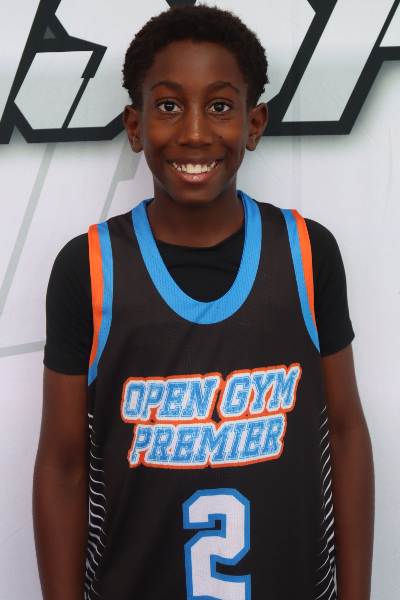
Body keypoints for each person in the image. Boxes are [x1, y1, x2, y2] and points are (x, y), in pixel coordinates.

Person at [33, 5, 374, 600]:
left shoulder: (306, 253)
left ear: (254, 123)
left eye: (220, 106)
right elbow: (62, 464)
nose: (194, 132)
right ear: (135, 125)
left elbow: (343, 432)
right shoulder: (89, 268)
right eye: (168, 105)